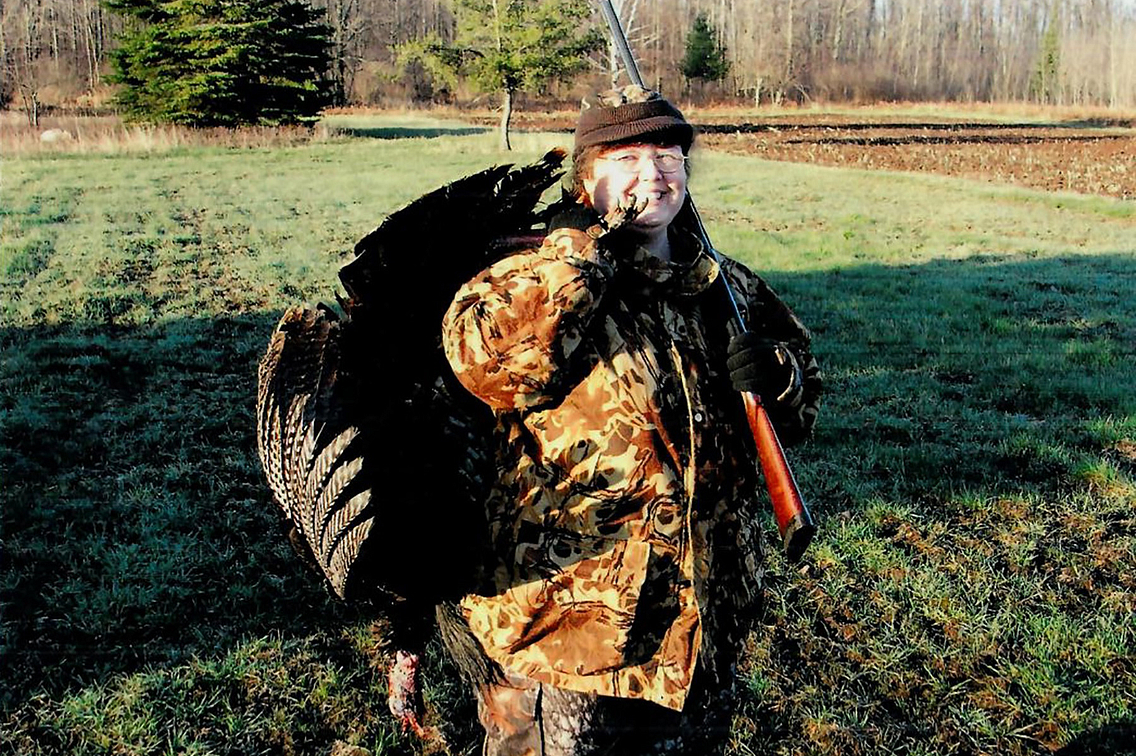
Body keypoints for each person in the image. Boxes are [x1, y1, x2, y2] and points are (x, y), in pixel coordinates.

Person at [440, 85, 822, 756]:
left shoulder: (726, 287)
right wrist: (578, 259)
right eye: (627, 157)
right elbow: (487, 366)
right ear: (588, 180)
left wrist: (779, 376)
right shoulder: (530, 275)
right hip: (569, 632)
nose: (654, 173)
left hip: (701, 620)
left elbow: (803, 397)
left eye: (669, 154)